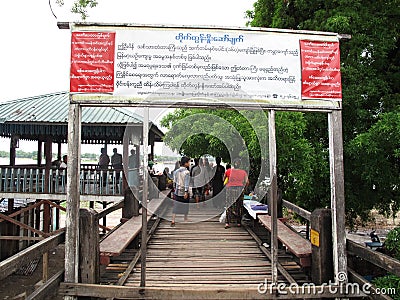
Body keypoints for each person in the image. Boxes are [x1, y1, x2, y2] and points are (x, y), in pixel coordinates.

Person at [223, 158, 248, 229]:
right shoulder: (243, 172)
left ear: (233, 164)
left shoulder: (228, 171)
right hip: (239, 189)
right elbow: (247, 182)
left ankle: (228, 222)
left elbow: (224, 180)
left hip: (230, 189)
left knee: (229, 205)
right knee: (239, 206)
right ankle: (239, 222)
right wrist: (244, 188)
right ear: (240, 165)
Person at [171, 156, 191, 226]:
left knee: (176, 205)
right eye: (189, 162)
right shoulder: (187, 172)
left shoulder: (176, 171)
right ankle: (185, 218)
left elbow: (174, 181)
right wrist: (186, 192)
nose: (189, 163)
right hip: (184, 191)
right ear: (185, 163)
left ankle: (173, 219)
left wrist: (175, 188)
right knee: (186, 204)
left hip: (177, 190)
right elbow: (186, 183)